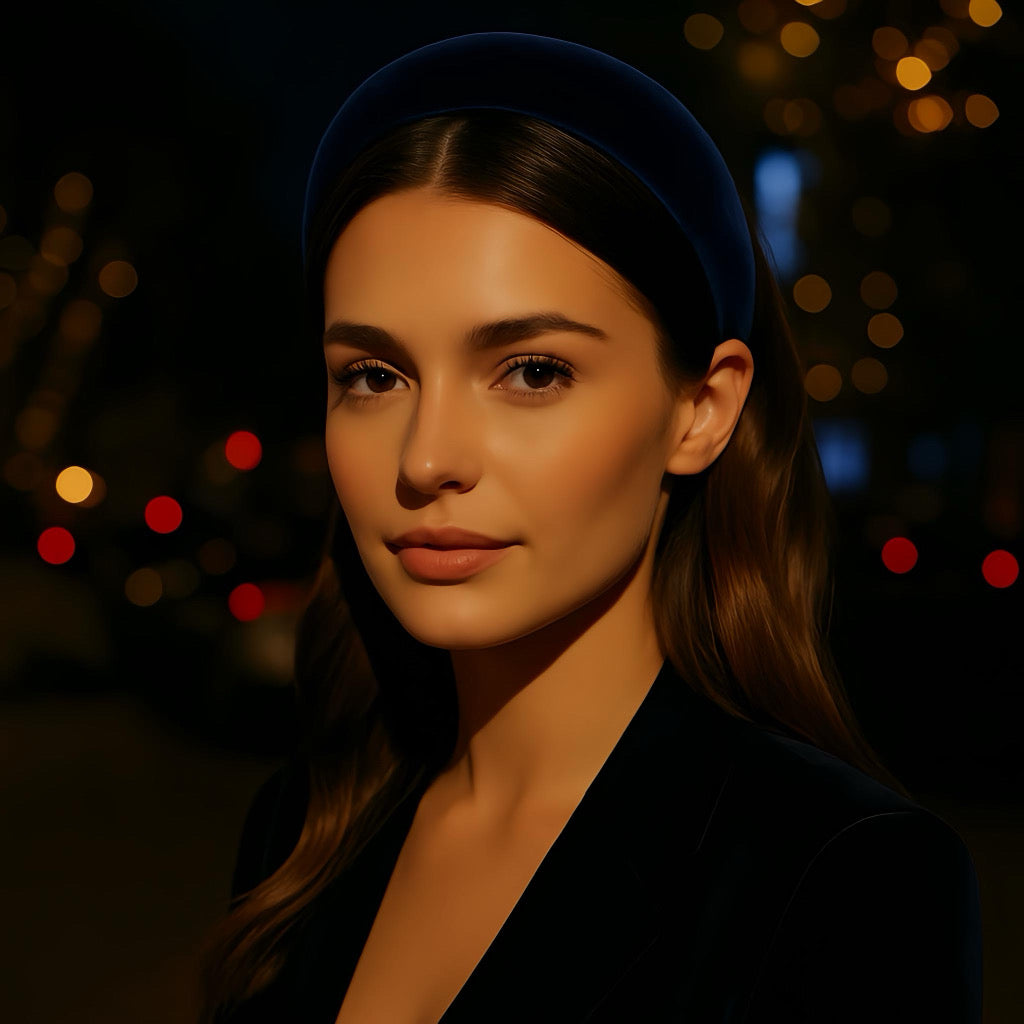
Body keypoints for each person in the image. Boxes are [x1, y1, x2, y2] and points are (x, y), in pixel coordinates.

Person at [196, 32, 983, 1024]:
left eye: (531, 370)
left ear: (701, 408)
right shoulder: (304, 830)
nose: (426, 457)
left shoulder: (840, 882)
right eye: (374, 375)